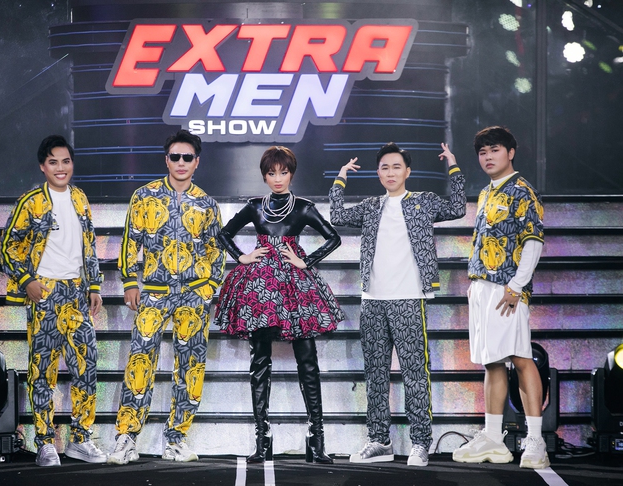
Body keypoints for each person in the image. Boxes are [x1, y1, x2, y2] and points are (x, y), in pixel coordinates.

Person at [329, 142, 466, 467]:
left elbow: (458, 207)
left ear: (407, 171)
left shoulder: (423, 201)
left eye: (396, 167)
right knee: (375, 374)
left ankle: (420, 442)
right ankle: (379, 441)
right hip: (372, 300)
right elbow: (337, 216)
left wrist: (454, 167)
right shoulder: (371, 206)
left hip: (408, 298)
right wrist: (340, 178)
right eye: (384, 167)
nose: (390, 172)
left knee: (414, 373)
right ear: (378, 173)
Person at [214, 146, 344, 465]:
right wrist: (242, 256)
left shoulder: (303, 207)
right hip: (259, 288)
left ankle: (316, 440)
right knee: (260, 361)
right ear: (264, 175)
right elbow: (224, 234)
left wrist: (305, 261)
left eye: (283, 172)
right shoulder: (254, 206)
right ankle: (263, 440)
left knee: (307, 360)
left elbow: (333, 237)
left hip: (294, 286)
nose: (277, 178)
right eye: (271, 173)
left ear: (291, 174)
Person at [107, 129, 226, 465]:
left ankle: (176, 439)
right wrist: (129, 282)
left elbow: (216, 250)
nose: (181, 162)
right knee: (140, 362)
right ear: (166, 160)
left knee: (190, 367)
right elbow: (131, 240)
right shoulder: (144, 196)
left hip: (193, 295)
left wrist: (207, 288)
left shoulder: (207, 204)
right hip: (155, 293)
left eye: (187, 157)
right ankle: (127, 438)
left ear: (197, 162)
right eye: (175, 156)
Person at [0, 135, 106, 466]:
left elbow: (89, 243)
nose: (61, 168)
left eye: (66, 161)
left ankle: (81, 440)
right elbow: (7, 246)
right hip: (45, 293)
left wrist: (94, 285)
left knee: (86, 367)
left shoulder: (80, 198)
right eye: (53, 162)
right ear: (42, 167)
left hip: (77, 294)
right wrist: (27, 280)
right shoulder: (31, 202)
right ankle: (45, 442)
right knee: (42, 370)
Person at [452, 126, 548, 469]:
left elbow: (533, 242)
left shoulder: (523, 191)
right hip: (483, 286)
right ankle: (494, 439)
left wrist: (516, 286)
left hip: (507, 288)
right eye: (482, 152)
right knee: (492, 362)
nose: (488, 157)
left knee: (520, 358)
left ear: (511, 153)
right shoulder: (486, 192)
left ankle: (535, 441)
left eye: (494, 150)